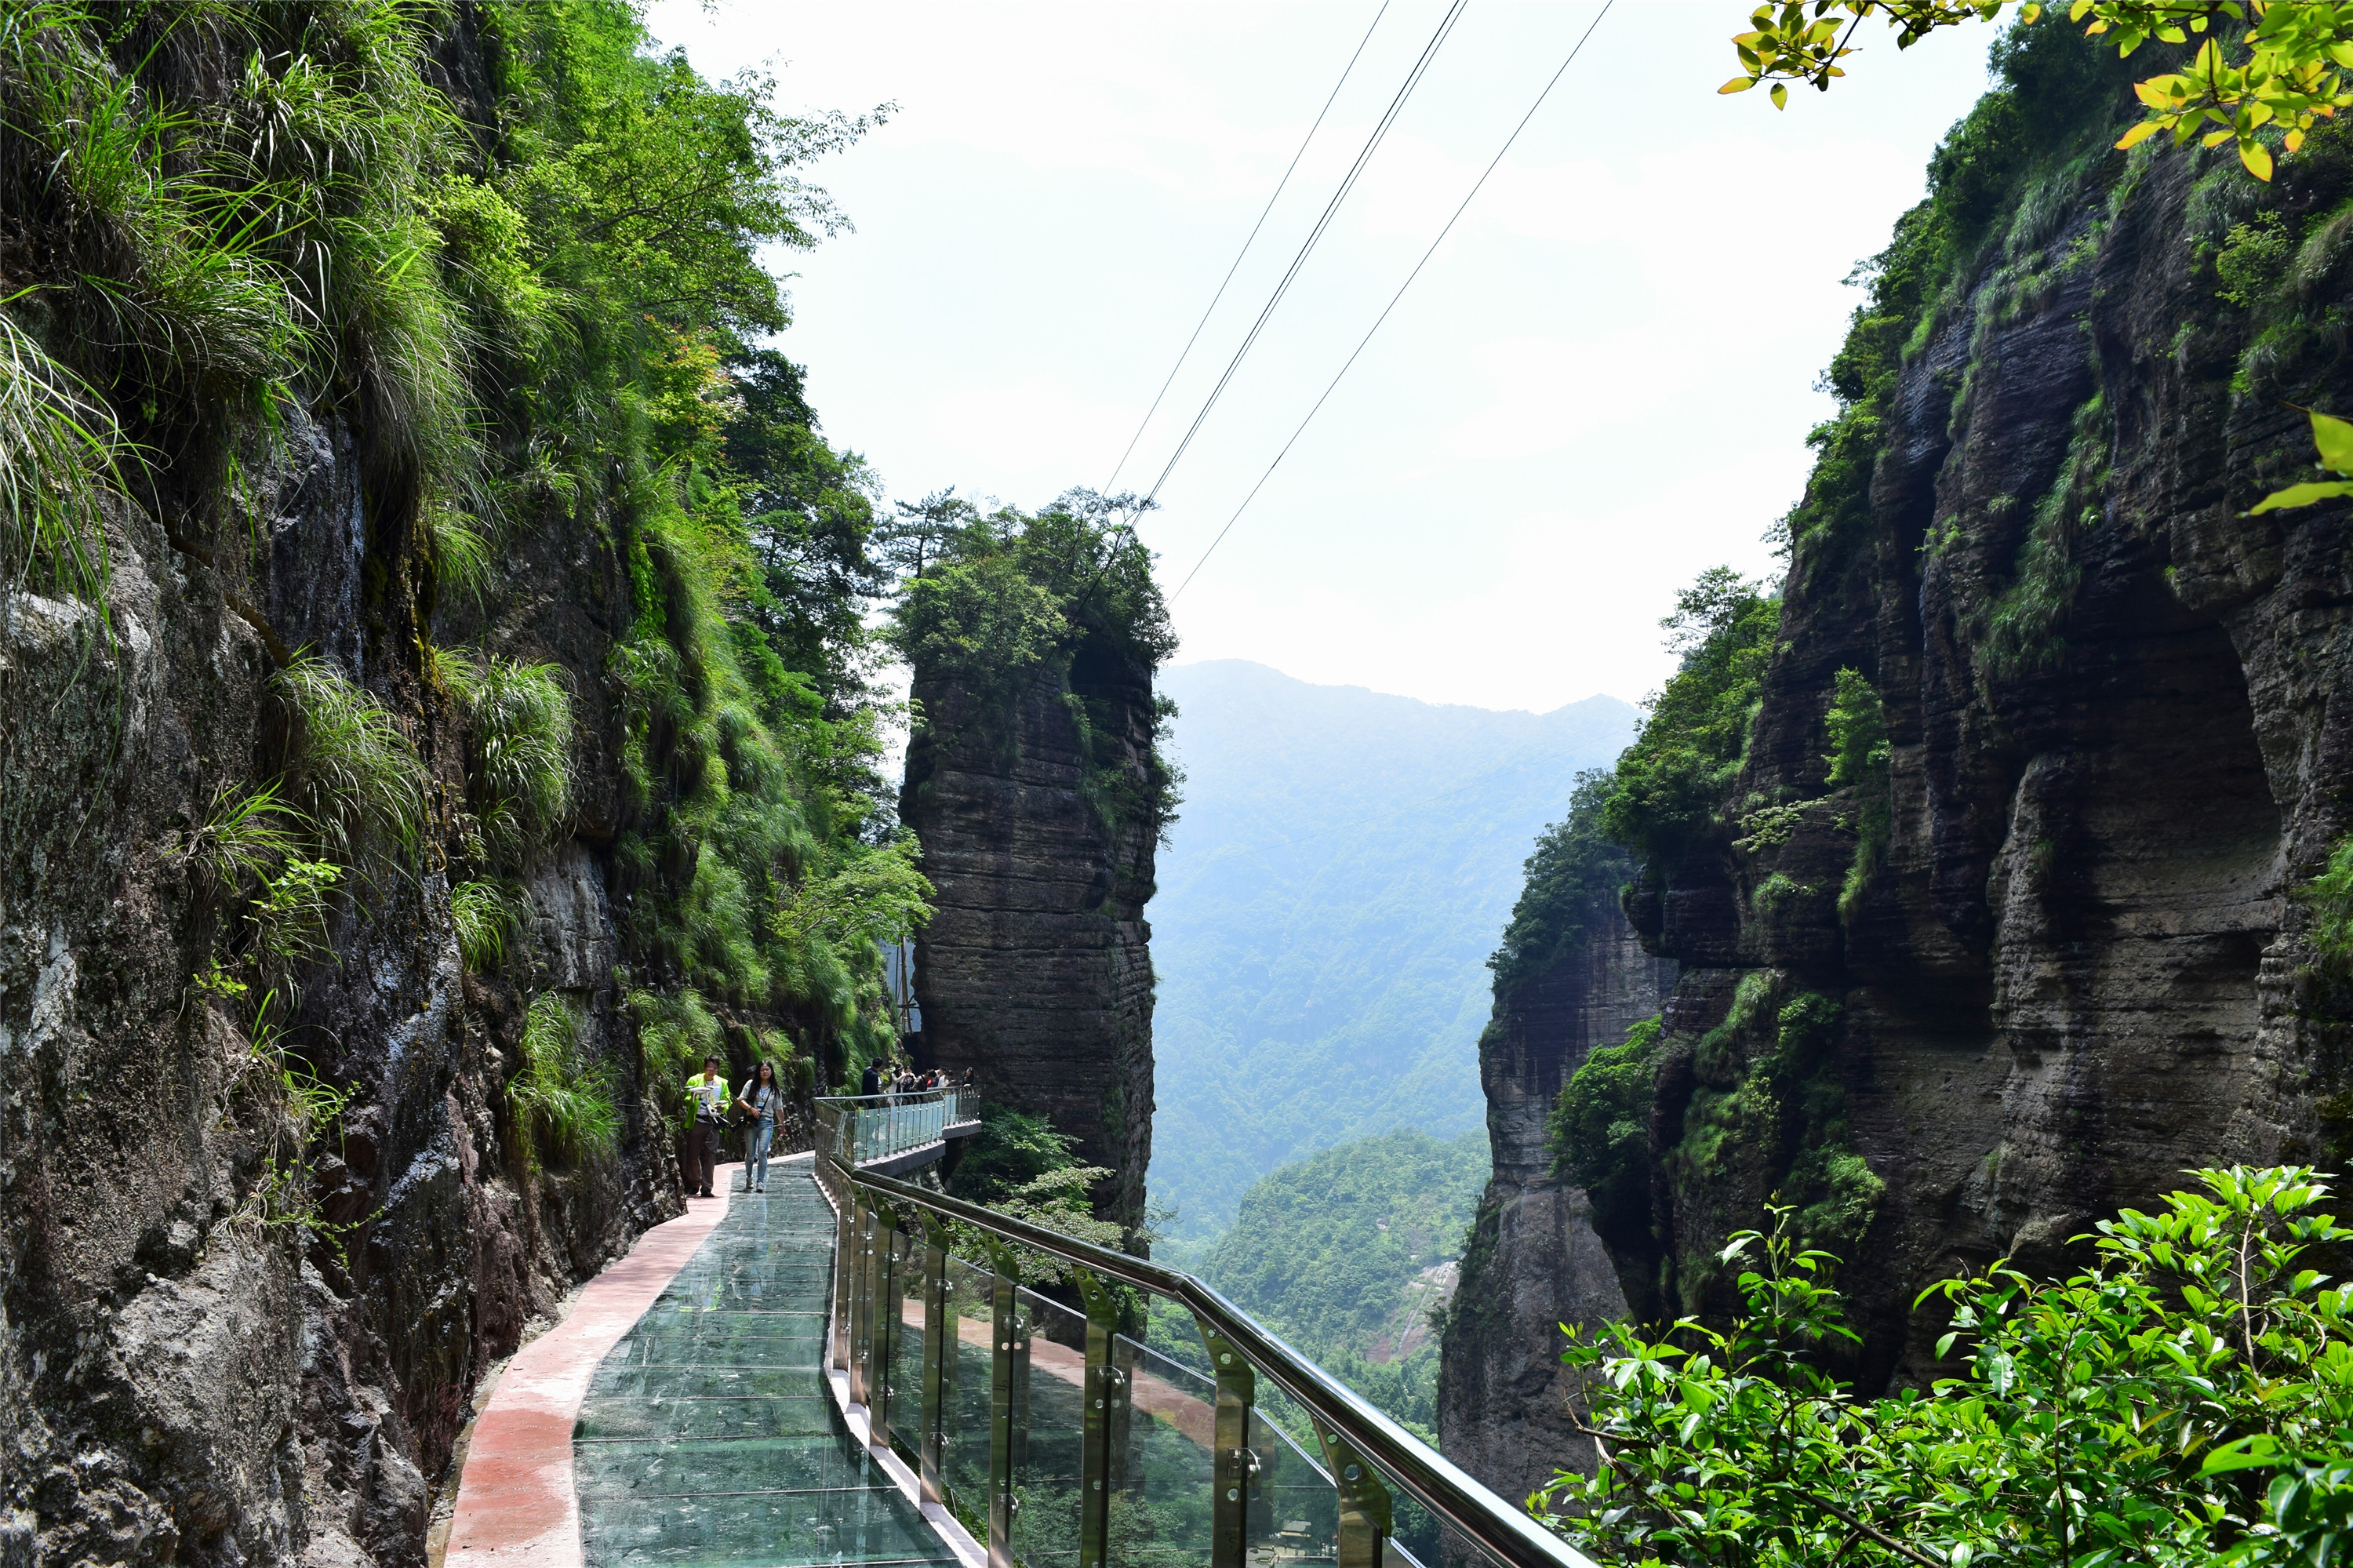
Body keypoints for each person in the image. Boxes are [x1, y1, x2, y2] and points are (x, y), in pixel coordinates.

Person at [686, 1055, 730, 1198]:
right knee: (693, 1153)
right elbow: (687, 1100)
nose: (712, 1071)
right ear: (704, 1067)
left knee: (710, 1155)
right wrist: (693, 1096)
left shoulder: (722, 1083)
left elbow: (728, 1100)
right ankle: (695, 1183)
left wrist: (723, 1108)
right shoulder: (695, 1080)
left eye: (715, 1069)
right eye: (709, 1068)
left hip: (713, 1122)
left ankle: (707, 1187)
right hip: (698, 1120)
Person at [740, 1060, 779, 1194]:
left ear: (771, 1071)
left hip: (767, 1121)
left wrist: (783, 1124)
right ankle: (749, 1177)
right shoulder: (751, 1084)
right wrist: (751, 1109)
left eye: (767, 1069)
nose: (765, 1072)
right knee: (750, 1154)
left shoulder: (774, 1089)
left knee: (762, 1152)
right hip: (752, 1121)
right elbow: (741, 1099)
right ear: (759, 1072)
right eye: (762, 1070)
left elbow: (779, 1108)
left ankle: (760, 1181)